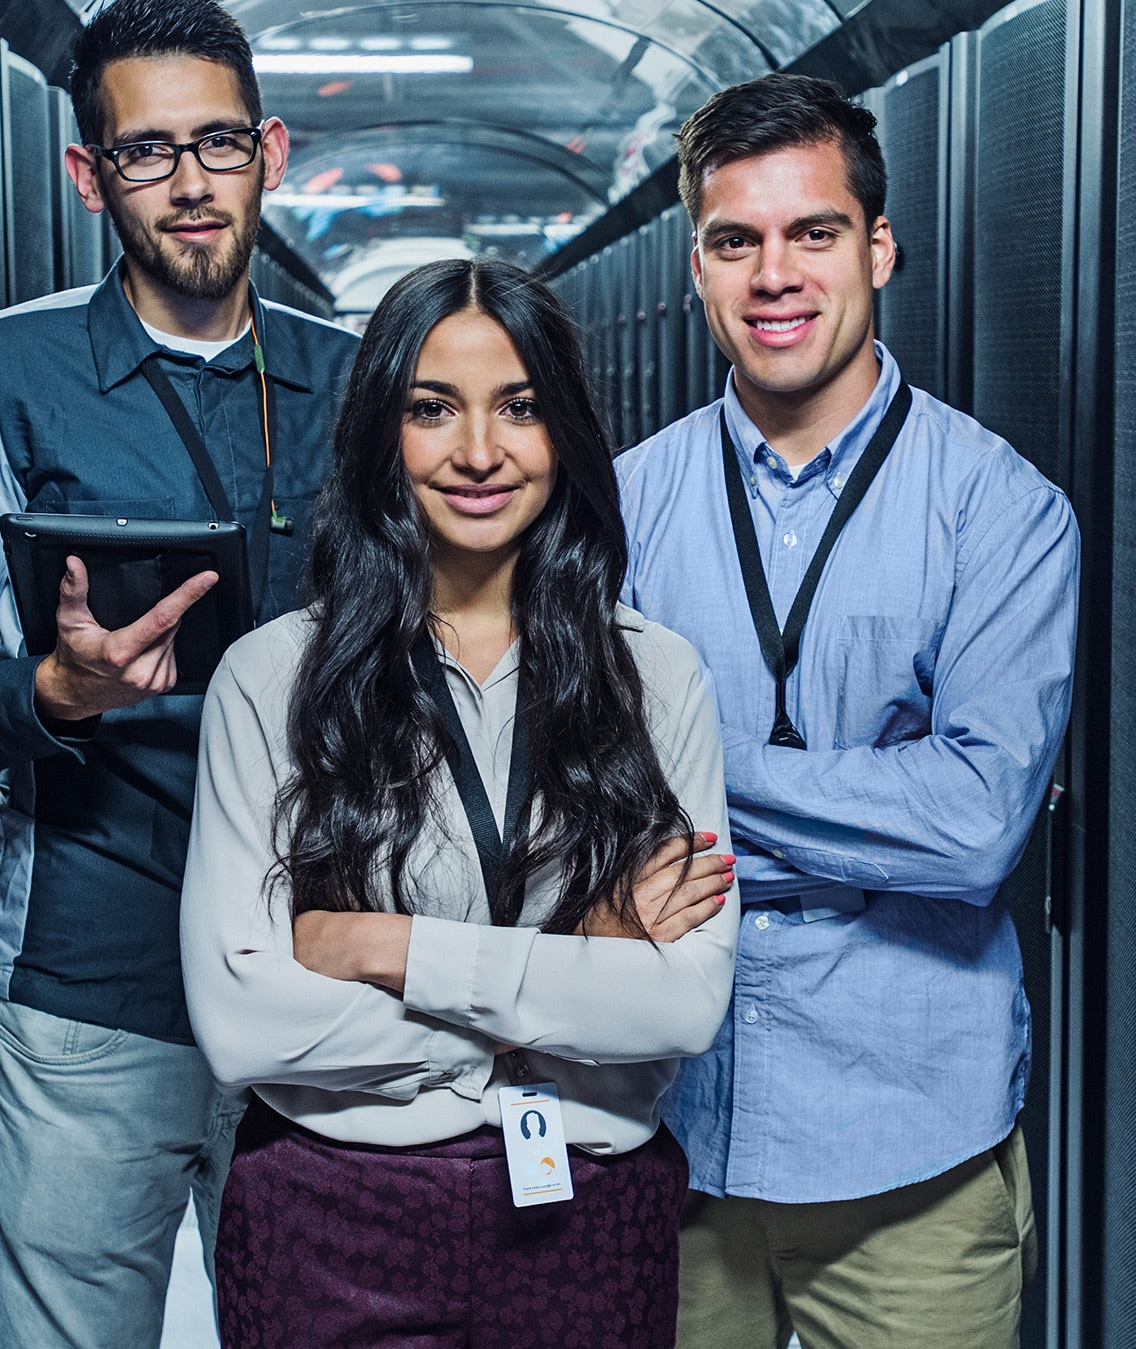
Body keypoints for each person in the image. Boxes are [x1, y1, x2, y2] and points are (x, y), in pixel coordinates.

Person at [0, 0, 359, 1347]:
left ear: (270, 154)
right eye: (147, 152)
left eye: (215, 145)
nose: (189, 186)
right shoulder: (9, 370)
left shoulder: (367, 377)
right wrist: (49, 695)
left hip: (328, 989)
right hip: (89, 996)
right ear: (93, 174)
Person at [182, 257, 740, 1349]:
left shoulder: (660, 677)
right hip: (330, 1222)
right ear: (379, 434)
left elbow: (679, 1009)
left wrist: (384, 946)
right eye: (432, 408)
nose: (479, 451)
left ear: (564, 431)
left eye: (520, 408)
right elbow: (243, 1027)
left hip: (587, 1217)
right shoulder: (268, 680)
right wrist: (570, 972)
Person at [617, 74, 1080, 1349]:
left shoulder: (1005, 513)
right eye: (736, 239)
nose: (776, 273)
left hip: (912, 1151)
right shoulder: (617, 508)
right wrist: (882, 792)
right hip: (665, 1134)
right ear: (699, 265)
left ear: (877, 247)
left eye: (813, 231)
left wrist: (692, 765)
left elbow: (976, 829)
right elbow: (578, 797)